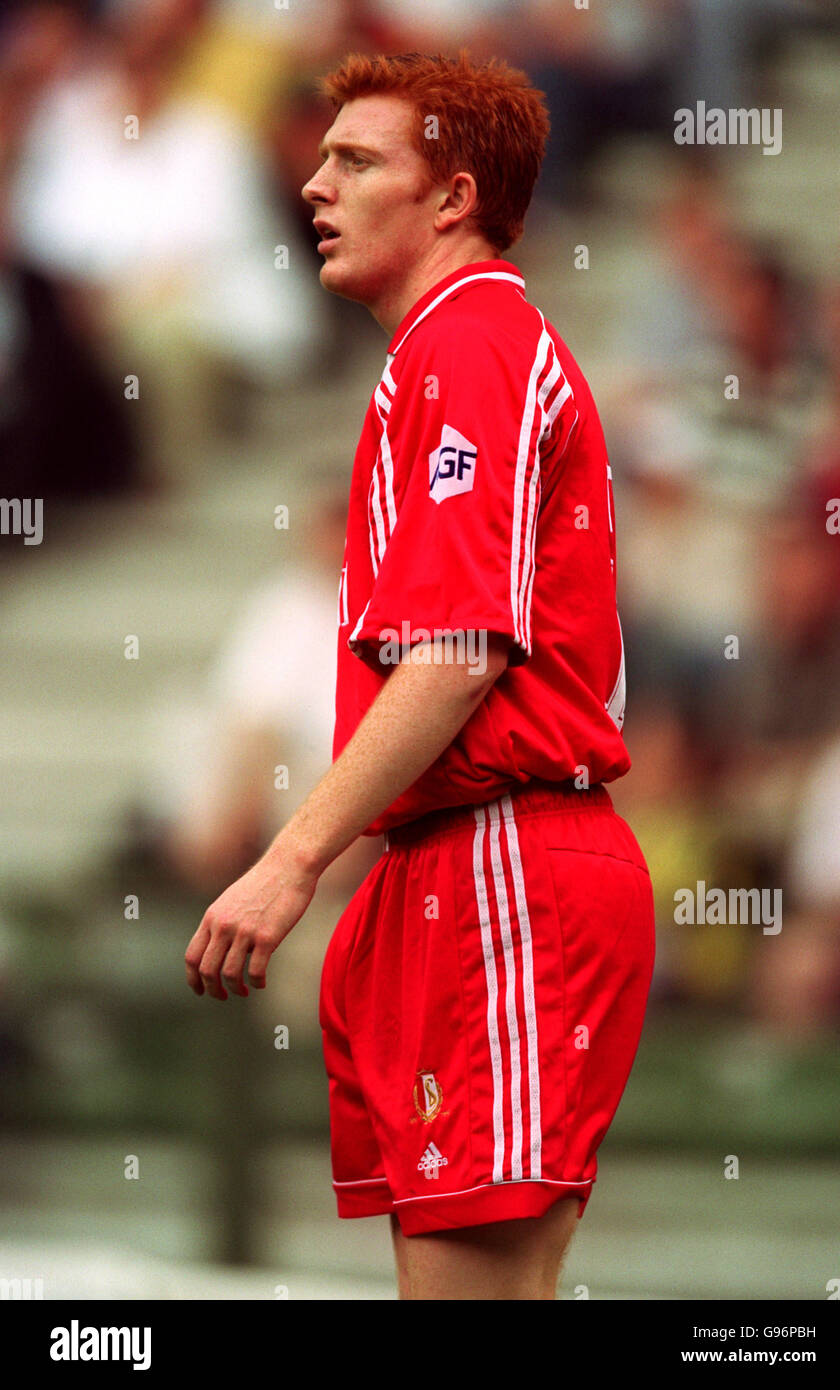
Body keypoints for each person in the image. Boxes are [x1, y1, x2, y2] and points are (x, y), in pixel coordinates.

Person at [184, 49, 655, 1301]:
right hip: (459, 867)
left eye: (355, 161)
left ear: (451, 196)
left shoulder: (470, 341)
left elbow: (456, 658)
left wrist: (289, 863)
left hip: (505, 861)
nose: (314, 186)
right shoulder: (443, 351)